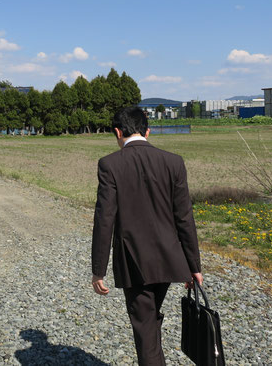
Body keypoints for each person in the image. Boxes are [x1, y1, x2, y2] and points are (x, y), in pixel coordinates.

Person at [91, 106, 202, 366]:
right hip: (169, 257)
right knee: (149, 319)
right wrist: (194, 267)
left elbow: (104, 219)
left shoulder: (110, 164)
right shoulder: (174, 162)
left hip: (134, 262)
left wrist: (98, 270)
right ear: (147, 131)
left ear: (118, 132)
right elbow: (184, 218)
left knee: (144, 325)